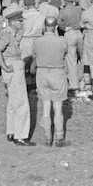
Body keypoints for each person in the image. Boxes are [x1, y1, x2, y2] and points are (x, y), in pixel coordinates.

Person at [0, 10, 35, 146]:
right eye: (20, 21)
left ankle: (11, 131)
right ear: (13, 22)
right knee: (22, 102)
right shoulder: (7, 34)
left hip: (11, 64)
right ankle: (21, 135)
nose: (22, 23)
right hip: (13, 65)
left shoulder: (11, 33)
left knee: (13, 101)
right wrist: (4, 66)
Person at [31, 17, 69, 147]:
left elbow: (35, 55)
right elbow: (65, 53)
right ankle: (59, 137)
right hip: (57, 72)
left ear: (44, 26)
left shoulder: (37, 42)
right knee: (58, 108)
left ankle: (48, 137)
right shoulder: (62, 41)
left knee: (46, 107)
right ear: (56, 26)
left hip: (42, 73)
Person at [58, 0, 85, 95]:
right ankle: (84, 80)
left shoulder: (63, 11)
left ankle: (74, 84)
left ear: (65, 1)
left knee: (71, 59)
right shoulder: (79, 9)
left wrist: (65, 28)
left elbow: (59, 23)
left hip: (69, 34)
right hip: (79, 33)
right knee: (83, 57)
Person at [20, 0, 46, 73]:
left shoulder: (24, 15)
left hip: (26, 39)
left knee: (24, 61)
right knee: (36, 61)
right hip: (38, 38)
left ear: (25, 5)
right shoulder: (42, 16)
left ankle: (26, 78)